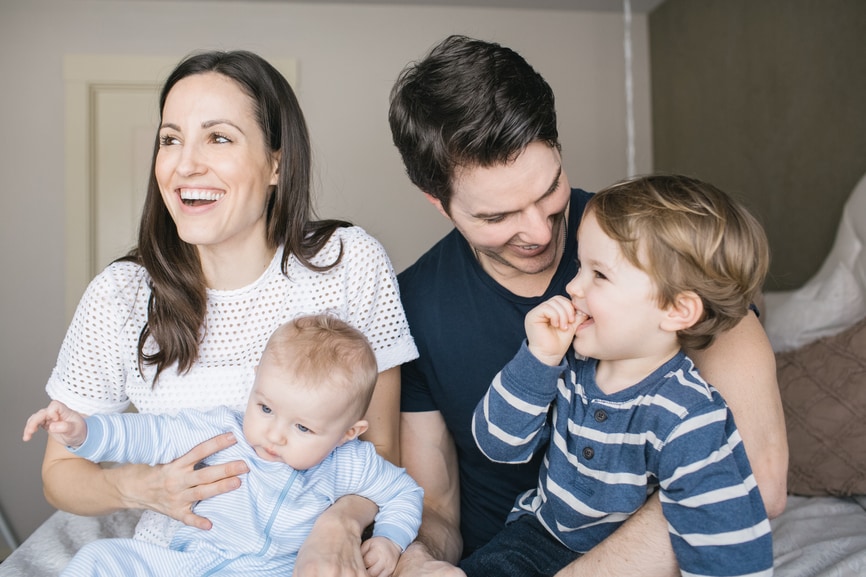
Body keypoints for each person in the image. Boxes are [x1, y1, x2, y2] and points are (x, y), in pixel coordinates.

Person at [389, 35, 788, 576]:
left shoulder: (660, 246)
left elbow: (756, 477)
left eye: (549, 189)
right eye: (497, 216)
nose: (537, 231)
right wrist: (417, 559)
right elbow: (437, 510)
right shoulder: (412, 305)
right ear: (439, 204)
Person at [33, 49, 418, 576]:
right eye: (171, 139)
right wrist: (138, 487)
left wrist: (338, 527)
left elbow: (379, 451)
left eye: (218, 137)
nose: (185, 164)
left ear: (276, 163)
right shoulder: (120, 296)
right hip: (177, 555)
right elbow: (60, 472)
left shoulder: (348, 263)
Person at [463, 174, 773, 577]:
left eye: (600, 275)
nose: (573, 286)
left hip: (628, 561)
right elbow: (498, 444)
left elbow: (727, 547)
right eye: (579, 267)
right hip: (537, 539)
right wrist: (538, 359)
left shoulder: (689, 415)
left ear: (677, 310)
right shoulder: (569, 365)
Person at [24, 315, 423, 577]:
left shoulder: (350, 463)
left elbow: (405, 492)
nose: (274, 434)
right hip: (188, 563)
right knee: (101, 560)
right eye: (265, 407)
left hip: (278, 571)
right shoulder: (222, 432)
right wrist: (85, 433)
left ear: (348, 432)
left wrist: (389, 538)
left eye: (303, 427)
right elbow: (147, 435)